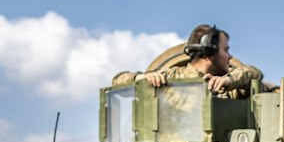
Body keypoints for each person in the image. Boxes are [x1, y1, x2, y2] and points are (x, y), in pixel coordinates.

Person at [112, 25, 262, 97]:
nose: (229, 56)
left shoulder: (229, 88)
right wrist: (142, 78)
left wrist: (229, 81)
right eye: (226, 50)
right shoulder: (170, 79)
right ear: (209, 51)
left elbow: (254, 73)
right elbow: (117, 82)